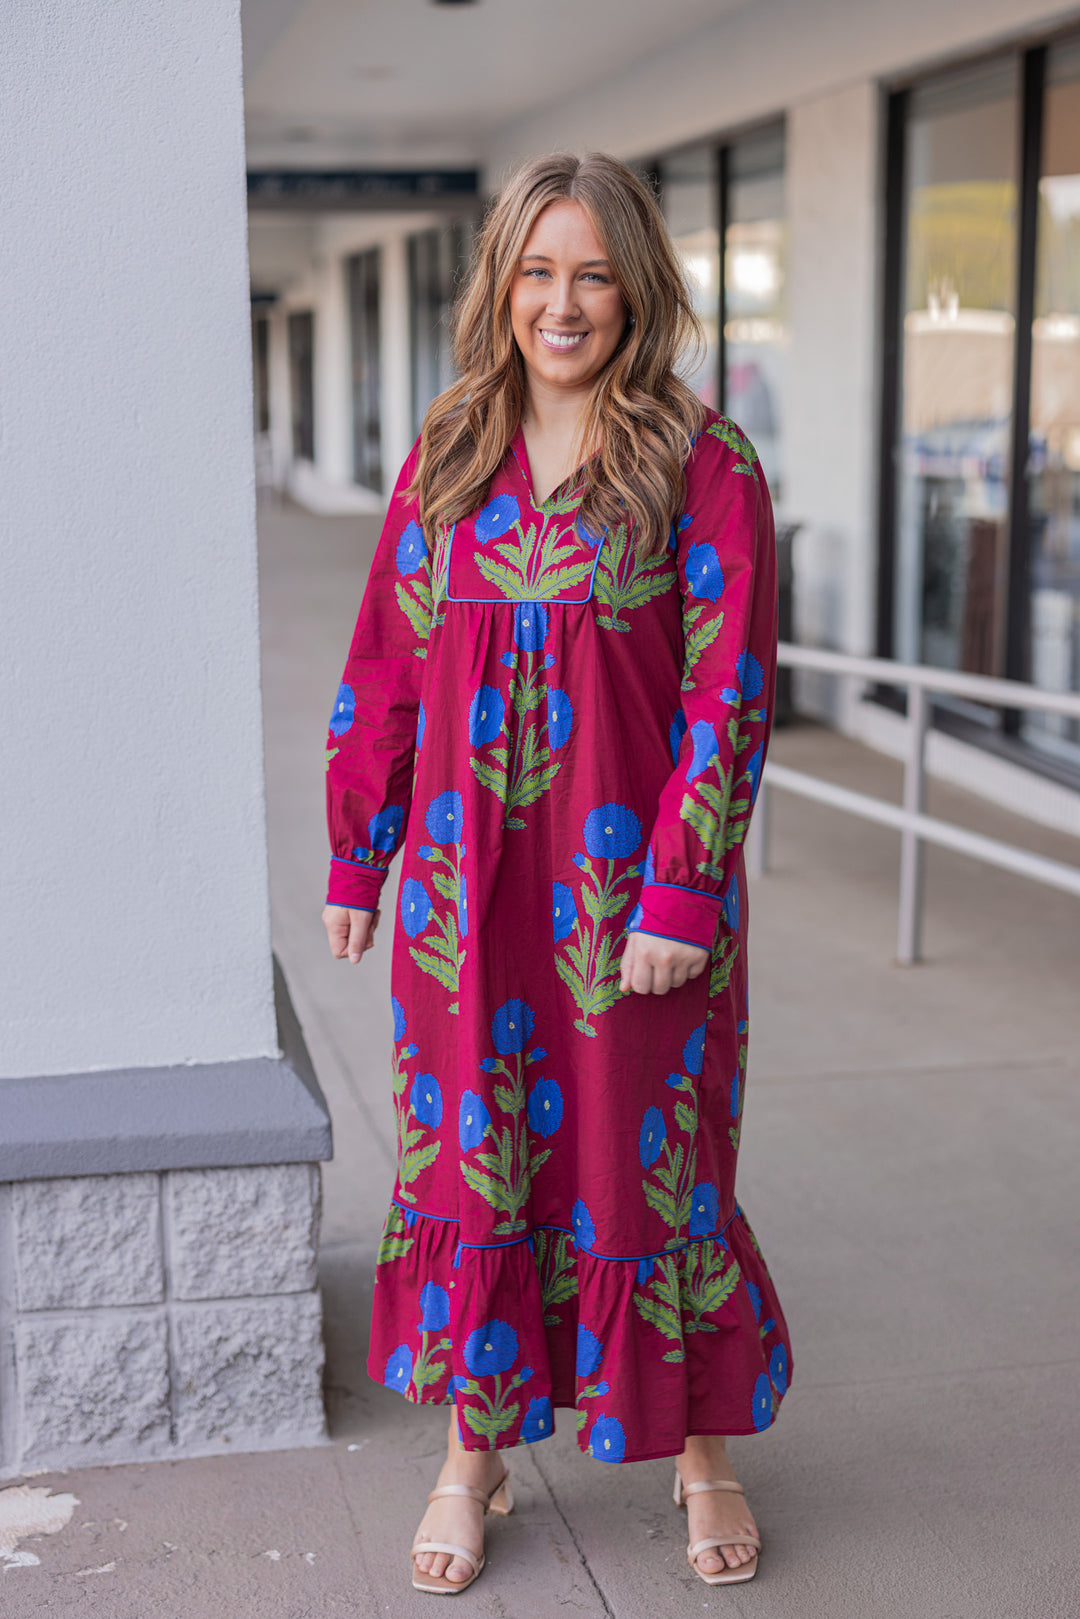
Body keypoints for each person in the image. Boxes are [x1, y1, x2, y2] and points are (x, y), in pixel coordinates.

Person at [322, 150, 791, 1596]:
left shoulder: (701, 465)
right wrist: (361, 847)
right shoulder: (449, 453)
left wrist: (680, 895)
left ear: (636, 286)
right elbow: (387, 667)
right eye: (538, 271)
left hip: (633, 905)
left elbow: (730, 696)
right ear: (502, 285)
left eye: (593, 272)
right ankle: (476, 1457)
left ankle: (702, 1448)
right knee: (479, 1165)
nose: (564, 303)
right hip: (470, 907)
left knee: (658, 1174)